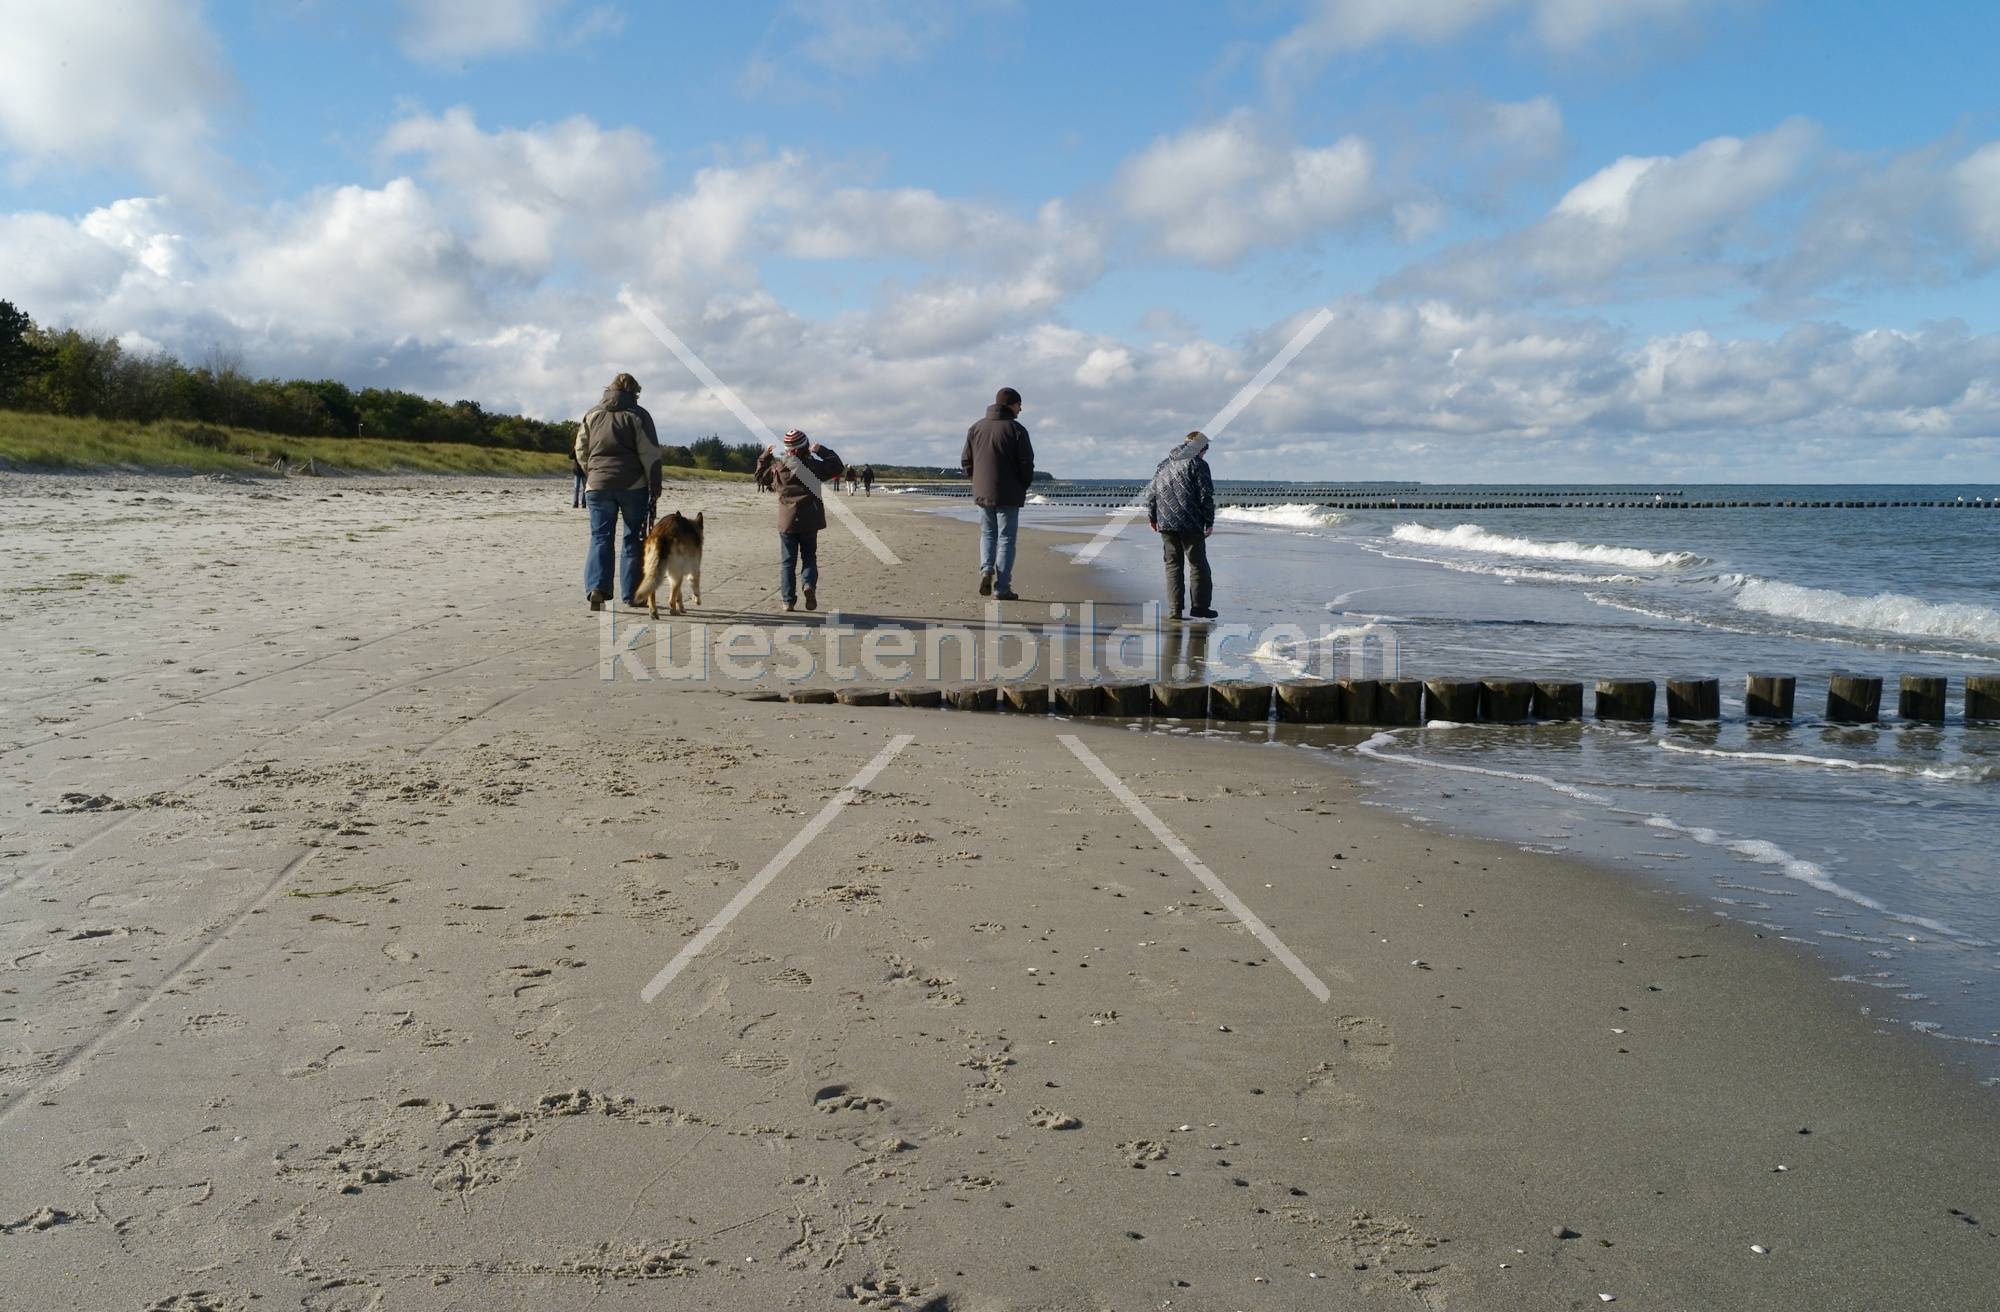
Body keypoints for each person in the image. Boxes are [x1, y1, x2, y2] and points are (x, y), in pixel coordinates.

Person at [573, 372, 663, 611]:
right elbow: (650, 454)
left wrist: (591, 473)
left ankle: (597, 588)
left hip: (598, 485)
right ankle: (633, 594)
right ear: (635, 392)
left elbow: (580, 449)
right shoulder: (639, 415)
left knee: (600, 537)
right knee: (632, 538)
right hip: (633, 485)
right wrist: (655, 485)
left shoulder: (592, 413)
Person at [752, 429, 844, 612]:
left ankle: (788, 601)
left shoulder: (778, 468)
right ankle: (808, 585)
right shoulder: (813, 467)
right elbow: (837, 466)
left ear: (787, 449)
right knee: (809, 557)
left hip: (787, 522)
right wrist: (821, 450)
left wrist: (764, 456)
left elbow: (760, 477)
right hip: (810, 520)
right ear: (805, 446)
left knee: (788, 562)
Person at [960, 386, 1034, 601]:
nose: (1020, 409)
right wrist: (1023, 485)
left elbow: (966, 461)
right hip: (1009, 493)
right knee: (1006, 539)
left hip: (983, 491)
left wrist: (976, 481)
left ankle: (986, 569)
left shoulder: (975, 428)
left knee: (988, 534)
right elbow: (1026, 463)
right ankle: (1002, 587)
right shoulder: (1017, 430)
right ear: (1011, 404)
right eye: (1019, 405)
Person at [1143, 430, 1217, 620]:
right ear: (1200, 447)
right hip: (1191, 521)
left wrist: (1152, 517)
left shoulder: (1163, 465)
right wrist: (1209, 521)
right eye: (1204, 450)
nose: (1204, 454)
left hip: (1166, 521)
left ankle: (1175, 610)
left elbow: (1151, 494)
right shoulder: (1198, 464)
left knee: (1173, 565)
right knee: (1198, 564)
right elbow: (1205, 495)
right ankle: (1200, 607)